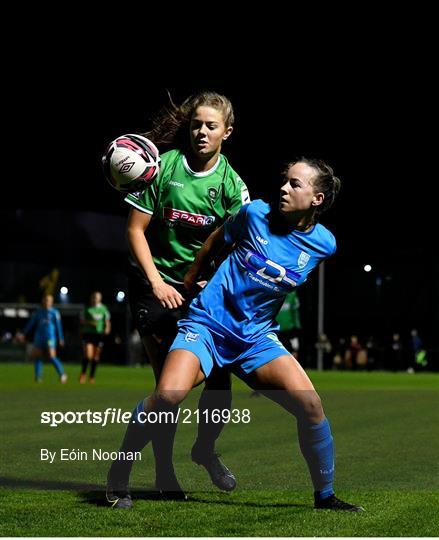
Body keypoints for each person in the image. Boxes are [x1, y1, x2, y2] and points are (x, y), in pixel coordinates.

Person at [106, 157, 364, 512]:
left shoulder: (324, 244)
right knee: (168, 395)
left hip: (255, 339)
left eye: (295, 184)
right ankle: (118, 476)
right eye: (284, 181)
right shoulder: (254, 213)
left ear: (317, 199)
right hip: (207, 326)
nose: (283, 188)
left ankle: (325, 496)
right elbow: (215, 240)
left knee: (311, 406)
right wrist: (191, 279)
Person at [118, 91, 250, 495]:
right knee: (167, 392)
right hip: (155, 289)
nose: (202, 132)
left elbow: (244, 245)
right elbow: (134, 230)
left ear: (227, 132)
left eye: (211, 126)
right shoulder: (163, 167)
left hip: (205, 294)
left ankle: (205, 450)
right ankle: (163, 475)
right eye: (196, 124)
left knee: (220, 381)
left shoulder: (232, 186)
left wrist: (217, 279)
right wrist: (157, 282)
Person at [18, 293, 67, 383]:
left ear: (51, 302)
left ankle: (62, 374)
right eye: (45, 300)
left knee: (51, 356)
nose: (46, 302)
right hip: (39, 337)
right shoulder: (38, 312)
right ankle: (38, 377)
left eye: (48, 300)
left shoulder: (55, 312)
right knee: (38, 357)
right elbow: (31, 324)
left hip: (50, 337)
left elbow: (58, 326)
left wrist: (61, 338)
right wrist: (23, 333)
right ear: (42, 301)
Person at [79, 291, 111, 384]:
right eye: (93, 297)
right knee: (88, 355)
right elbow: (81, 321)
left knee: (96, 356)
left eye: (96, 298)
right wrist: (89, 323)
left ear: (99, 299)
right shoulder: (87, 308)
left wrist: (107, 328)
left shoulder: (104, 309)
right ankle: (83, 374)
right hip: (88, 334)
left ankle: (92, 376)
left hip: (99, 335)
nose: (94, 299)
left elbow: (107, 320)